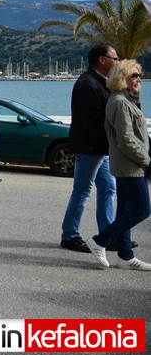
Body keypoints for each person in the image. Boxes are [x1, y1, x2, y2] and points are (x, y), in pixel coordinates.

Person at [85, 59, 150, 270]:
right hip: (130, 166)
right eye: (134, 75)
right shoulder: (120, 102)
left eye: (140, 75)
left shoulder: (125, 100)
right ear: (123, 77)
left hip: (127, 164)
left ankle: (125, 256)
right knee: (142, 210)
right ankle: (100, 240)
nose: (139, 79)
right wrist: (147, 161)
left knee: (124, 210)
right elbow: (126, 139)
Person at [60, 43, 119, 253]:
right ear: (102, 60)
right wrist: (116, 141)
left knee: (108, 188)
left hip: (100, 148)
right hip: (90, 147)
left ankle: (107, 235)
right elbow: (92, 122)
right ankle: (69, 236)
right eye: (115, 58)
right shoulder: (88, 84)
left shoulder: (101, 83)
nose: (117, 62)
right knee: (82, 191)